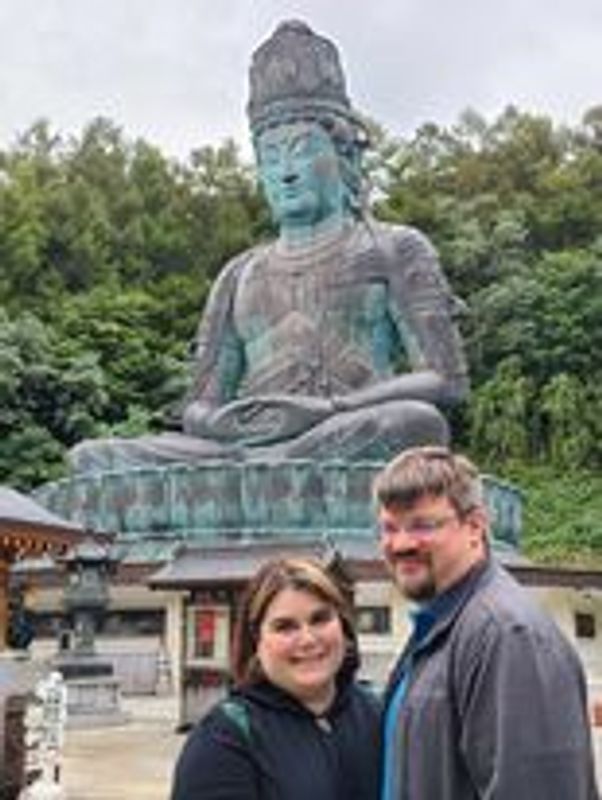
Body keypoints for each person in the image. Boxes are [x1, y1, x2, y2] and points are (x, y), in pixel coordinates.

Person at [70, 20, 468, 473]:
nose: (287, 172)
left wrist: (332, 408)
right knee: (93, 458)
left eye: (301, 151)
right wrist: (227, 423)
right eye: (271, 158)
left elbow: (445, 379)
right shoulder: (240, 273)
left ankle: (267, 470)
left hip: (346, 425)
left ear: (344, 157)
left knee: (413, 422)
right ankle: (261, 467)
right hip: (244, 444)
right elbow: (199, 408)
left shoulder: (395, 247)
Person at [373, 445, 599, 800]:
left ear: (475, 526)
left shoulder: (507, 636)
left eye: (421, 525)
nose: (400, 544)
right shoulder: (439, 628)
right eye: (389, 528)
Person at [170, 557, 381, 799]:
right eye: (285, 627)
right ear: (257, 642)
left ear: (343, 626)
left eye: (320, 619)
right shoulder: (224, 741)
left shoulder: (377, 714)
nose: (308, 640)